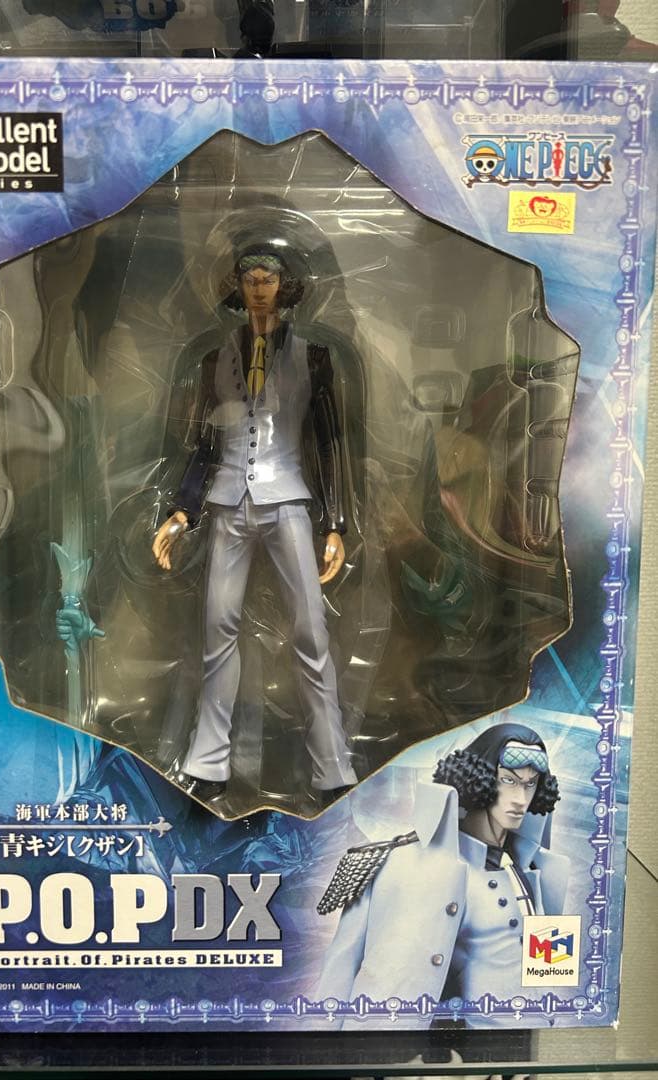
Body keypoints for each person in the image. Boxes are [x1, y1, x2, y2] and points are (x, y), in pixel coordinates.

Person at [152, 245, 357, 805]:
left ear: (283, 287)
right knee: (217, 627)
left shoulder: (314, 355)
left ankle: (333, 766)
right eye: (251, 281)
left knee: (311, 631)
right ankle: (207, 762)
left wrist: (335, 523)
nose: (260, 289)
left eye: (268, 280)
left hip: (287, 499)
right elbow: (204, 442)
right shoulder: (214, 358)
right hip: (227, 504)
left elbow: (329, 443)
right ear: (239, 289)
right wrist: (182, 511)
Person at [316, 722, 569, 1027]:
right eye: (508, 781)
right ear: (480, 778)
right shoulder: (401, 863)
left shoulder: (540, 872)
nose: (520, 799)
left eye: (530, 784)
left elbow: (551, 973)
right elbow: (341, 969)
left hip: (530, 1045)